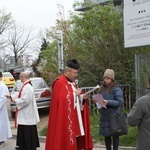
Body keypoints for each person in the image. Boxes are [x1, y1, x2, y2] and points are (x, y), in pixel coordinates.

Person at [45, 59, 93, 150]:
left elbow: (74, 99)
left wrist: (82, 97)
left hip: (75, 118)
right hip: (64, 120)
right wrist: (74, 94)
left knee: (75, 138)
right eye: (74, 73)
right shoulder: (59, 82)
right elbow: (61, 100)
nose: (76, 75)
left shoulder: (73, 83)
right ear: (67, 71)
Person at [7, 72, 40, 150]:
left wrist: (15, 100)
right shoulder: (25, 86)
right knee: (23, 129)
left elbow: (25, 100)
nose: (19, 78)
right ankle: (23, 146)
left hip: (27, 113)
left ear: (22, 77)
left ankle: (28, 146)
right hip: (25, 113)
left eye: (20, 77)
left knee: (27, 130)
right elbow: (20, 94)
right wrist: (11, 96)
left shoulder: (28, 87)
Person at [93, 69, 123, 150]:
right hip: (105, 116)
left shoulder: (116, 89)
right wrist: (96, 100)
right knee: (107, 136)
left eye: (108, 78)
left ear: (112, 79)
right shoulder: (102, 88)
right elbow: (99, 97)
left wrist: (108, 102)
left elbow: (119, 102)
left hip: (114, 116)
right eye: (105, 78)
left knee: (115, 136)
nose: (106, 80)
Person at [0, 72, 12, 148]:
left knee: (1, 125)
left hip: (1, 109)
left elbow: (4, 98)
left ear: (1, 77)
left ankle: (1, 140)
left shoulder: (3, 86)